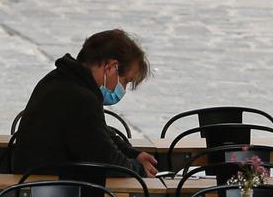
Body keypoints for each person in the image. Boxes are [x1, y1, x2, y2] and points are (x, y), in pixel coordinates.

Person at [10, 29, 160, 177]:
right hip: (47, 189)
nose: (123, 89)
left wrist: (133, 154)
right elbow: (106, 160)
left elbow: (99, 133)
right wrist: (140, 171)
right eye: (125, 81)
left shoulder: (63, 79)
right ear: (110, 67)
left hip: (41, 179)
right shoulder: (80, 97)